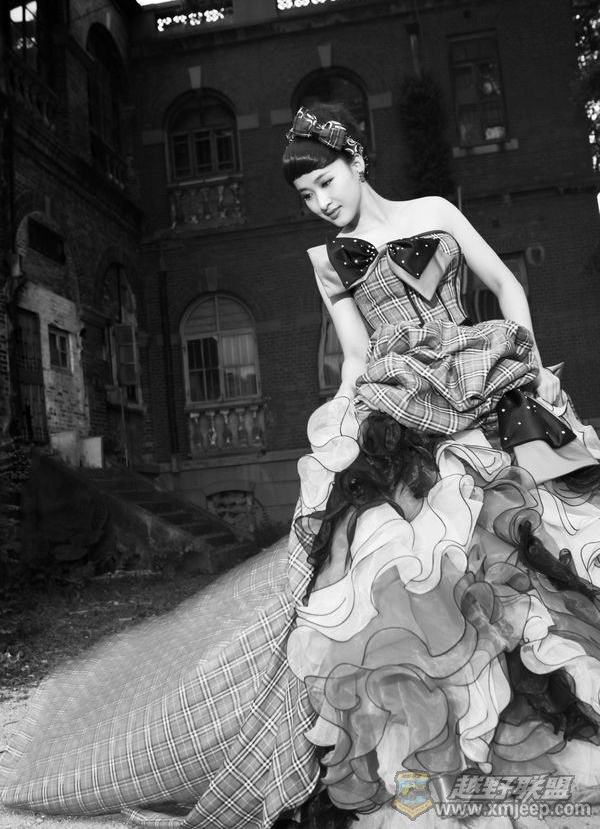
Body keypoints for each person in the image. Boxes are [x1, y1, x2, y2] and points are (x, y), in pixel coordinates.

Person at [1, 102, 600, 829]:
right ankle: (450, 759)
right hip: (400, 407)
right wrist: (341, 422)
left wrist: (528, 368)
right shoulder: (328, 261)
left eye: (325, 182)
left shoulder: (436, 212)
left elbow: (506, 288)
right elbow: (356, 357)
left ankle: (541, 721)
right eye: (306, 195)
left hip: (482, 385)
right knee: (405, 580)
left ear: (357, 161)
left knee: (522, 551)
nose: (320, 203)